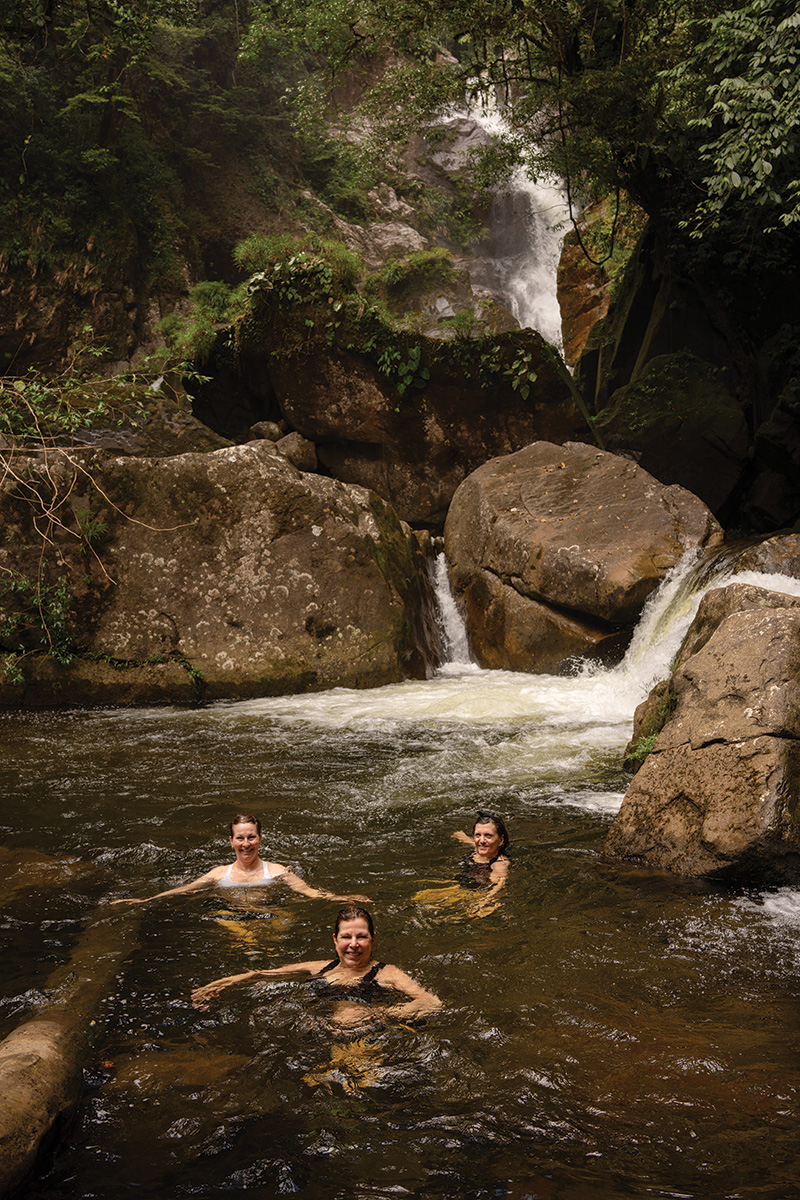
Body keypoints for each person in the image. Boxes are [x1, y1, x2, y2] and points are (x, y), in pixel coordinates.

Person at [191, 905, 442, 1028]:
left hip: (369, 1039)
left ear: (373, 940)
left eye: (361, 937)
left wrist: (377, 1016)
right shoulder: (320, 968)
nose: (353, 945)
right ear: (335, 940)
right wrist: (220, 985)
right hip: (320, 1032)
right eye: (346, 937)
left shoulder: (388, 973)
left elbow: (432, 1003)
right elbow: (261, 974)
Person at [110, 814, 371, 906]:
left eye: (251, 837)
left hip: (270, 914)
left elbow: (309, 893)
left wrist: (340, 897)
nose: (246, 844)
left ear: (260, 839)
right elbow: (183, 891)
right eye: (240, 838)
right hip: (230, 915)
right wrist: (144, 900)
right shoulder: (219, 874)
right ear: (231, 841)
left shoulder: (277, 871)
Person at [414, 811, 510, 919]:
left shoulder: (499, 864)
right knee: (417, 898)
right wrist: (462, 837)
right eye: (478, 835)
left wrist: (484, 902)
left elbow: (499, 884)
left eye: (488, 835)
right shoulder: (481, 849)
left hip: (477, 894)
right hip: (463, 887)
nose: (481, 841)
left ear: (500, 840)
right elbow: (474, 843)